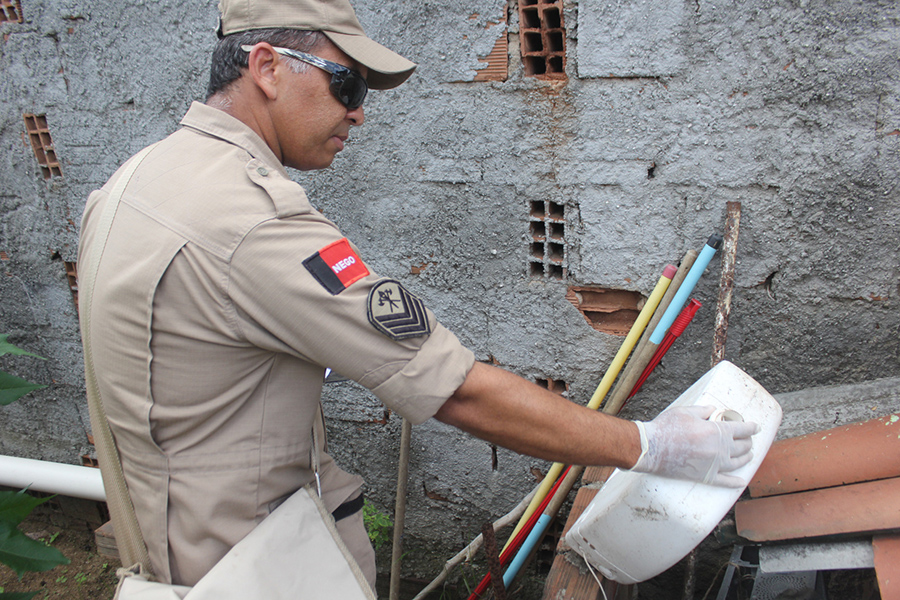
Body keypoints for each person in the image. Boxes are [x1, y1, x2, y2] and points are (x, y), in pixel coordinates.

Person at [77, 0, 757, 591]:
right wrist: (650, 446)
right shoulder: (254, 221)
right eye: (347, 83)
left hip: (170, 562)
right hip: (255, 571)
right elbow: (455, 390)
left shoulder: (132, 183)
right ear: (266, 66)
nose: (360, 114)